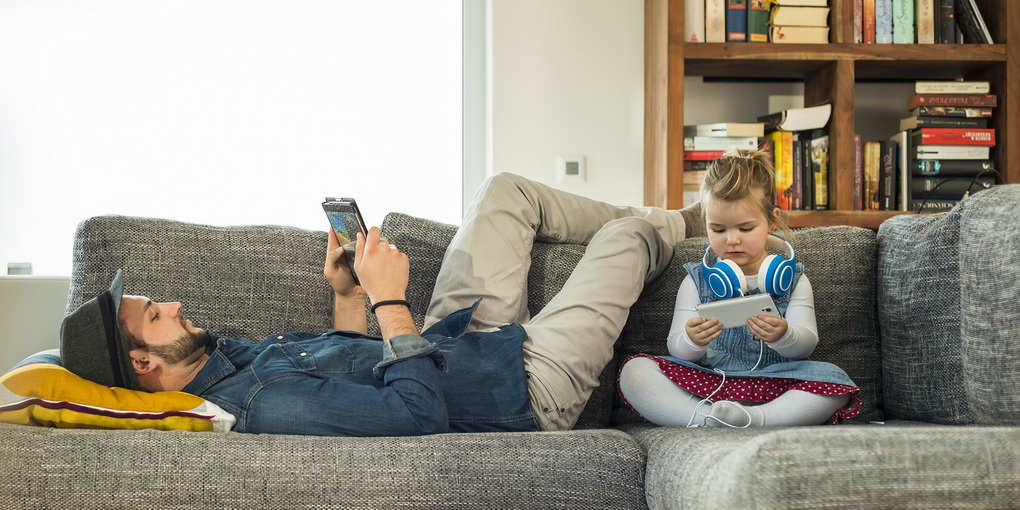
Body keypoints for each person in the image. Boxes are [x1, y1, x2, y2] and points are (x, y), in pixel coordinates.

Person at [59, 173, 696, 436]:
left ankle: (684, 218)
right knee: (626, 239)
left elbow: (351, 364)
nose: (171, 304)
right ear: (142, 363)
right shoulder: (263, 404)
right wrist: (391, 299)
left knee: (507, 193)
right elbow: (415, 419)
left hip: (459, 340)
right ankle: (698, 228)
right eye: (153, 315)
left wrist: (351, 295)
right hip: (523, 385)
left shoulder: (226, 359)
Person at [617, 149, 860, 428]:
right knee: (635, 371)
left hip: (776, 382)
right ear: (705, 225)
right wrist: (692, 340)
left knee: (834, 382)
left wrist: (784, 336)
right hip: (711, 384)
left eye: (745, 228)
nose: (732, 240)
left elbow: (805, 346)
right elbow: (677, 347)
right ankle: (706, 418)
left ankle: (754, 419)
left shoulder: (794, 279)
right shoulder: (695, 280)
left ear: (772, 221)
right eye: (718, 229)